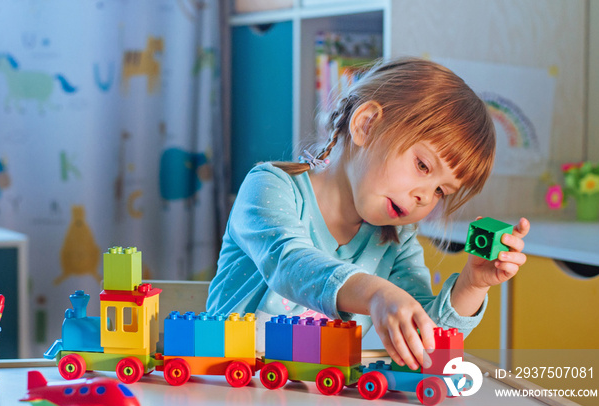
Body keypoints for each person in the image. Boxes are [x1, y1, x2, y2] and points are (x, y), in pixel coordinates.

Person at [207, 57, 530, 370]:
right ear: (366, 125)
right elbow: (290, 264)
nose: (424, 197)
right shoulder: (270, 186)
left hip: (317, 401)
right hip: (229, 387)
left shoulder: (396, 239)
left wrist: (472, 286)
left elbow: (422, 339)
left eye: (440, 192)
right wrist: (377, 293)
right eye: (422, 166)